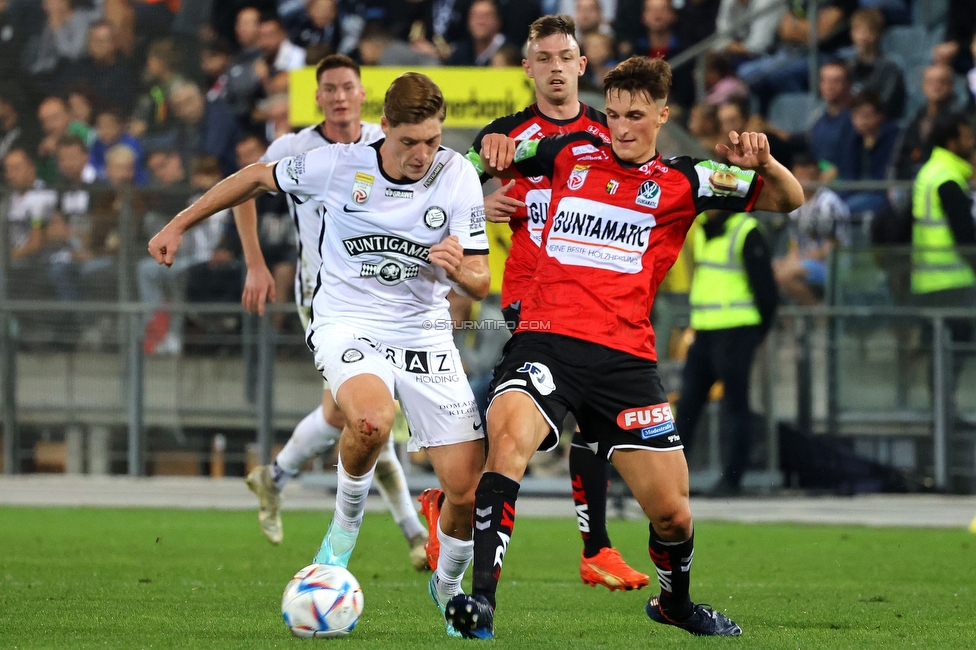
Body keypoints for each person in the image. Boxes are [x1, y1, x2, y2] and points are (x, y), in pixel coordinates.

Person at [444, 55, 803, 639]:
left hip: (625, 362)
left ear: (663, 116)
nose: (620, 126)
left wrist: (766, 163)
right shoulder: (566, 154)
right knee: (508, 443)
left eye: (635, 115)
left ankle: (675, 607)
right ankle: (480, 601)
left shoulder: (689, 180)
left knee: (673, 513)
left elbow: (789, 199)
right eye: (611, 114)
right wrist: (481, 171)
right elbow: (467, 167)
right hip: (546, 341)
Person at [148, 71, 490, 637]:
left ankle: (447, 586)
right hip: (348, 320)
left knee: (466, 488)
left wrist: (463, 271)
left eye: (432, 140)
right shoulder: (340, 163)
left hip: (425, 331)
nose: (422, 154)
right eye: (409, 142)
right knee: (368, 420)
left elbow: (480, 278)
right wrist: (179, 223)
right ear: (387, 130)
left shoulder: (456, 177)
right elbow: (257, 178)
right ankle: (340, 540)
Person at [420, 14, 648, 593]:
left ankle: (594, 547)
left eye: (563, 57)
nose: (554, 68)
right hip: (533, 296)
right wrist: (481, 199)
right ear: (527, 68)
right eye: (542, 58)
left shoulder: (608, 131)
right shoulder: (503, 136)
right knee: (528, 432)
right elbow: (442, 195)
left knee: (592, 419)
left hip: (598, 295)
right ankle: (459, 503)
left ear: (581, 64)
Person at [238, 55, 429, 573]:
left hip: (383, 296)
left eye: (348, 87)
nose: (340, 96)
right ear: (317, 97)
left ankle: (274, 477)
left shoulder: (383, 139)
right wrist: (256, 264)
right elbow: (245, 188)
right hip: (323, 297)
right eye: (330, 89)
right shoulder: (295, 148)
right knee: (368, 415)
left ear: (363, 94)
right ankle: (415, 533)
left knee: (353, 415)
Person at [675, 207, 778, 497]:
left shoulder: (746, 231)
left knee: (735, 408)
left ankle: (732, 479)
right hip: (704, 332)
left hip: (736, 332)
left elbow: (767, 291)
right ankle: (670, 480)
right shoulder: (706, 230)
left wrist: (758, 333)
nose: (709, 209)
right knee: (687, 408)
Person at [910, 113, 976, 363]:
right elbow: (965, 236)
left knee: (936, 348)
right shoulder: (948, 179)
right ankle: (947, 399)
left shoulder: (928, 173)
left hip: (925, 278)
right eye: (967, 137)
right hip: (952, 278)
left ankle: (938, 398)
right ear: (952, 143)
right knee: (959, 344)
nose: (972, 143)